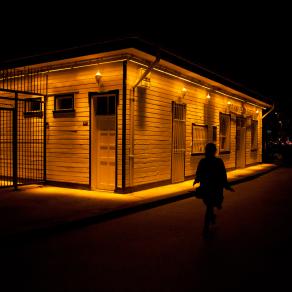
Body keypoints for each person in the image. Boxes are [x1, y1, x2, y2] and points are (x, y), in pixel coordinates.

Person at [193, 143, 234, 236]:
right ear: (215, 151)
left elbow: (199, 173)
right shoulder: (219, 161)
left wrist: (197, 180)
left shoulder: (203, 161)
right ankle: (208, 222)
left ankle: (209, 221)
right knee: (211, 205)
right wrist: (226, 185)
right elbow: (223, 174)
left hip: (206, 187)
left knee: (209, 205)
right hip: (215, 188)